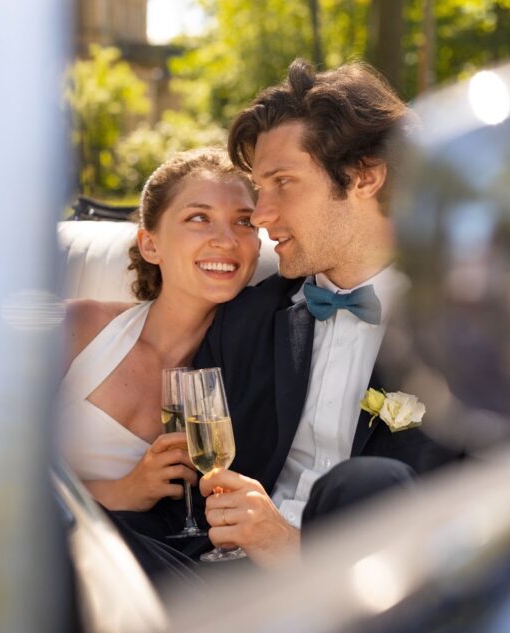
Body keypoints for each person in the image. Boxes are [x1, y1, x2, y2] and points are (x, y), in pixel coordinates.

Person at [193, 60, 463, 568]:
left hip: (379, 604)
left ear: (365, 176)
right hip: (222, 584)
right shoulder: (244, 318)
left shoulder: (469, 326)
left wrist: (292, 550)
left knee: (367, 483)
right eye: (259, 187)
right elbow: (191, 474)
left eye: (283, 182)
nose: (261, 213)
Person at [59, 147, 261, 547]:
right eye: (199, 218)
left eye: (244, 221)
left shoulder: (250, 365)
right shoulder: (78, 327)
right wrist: (124, 491)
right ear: (151, 245)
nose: (226, 240)